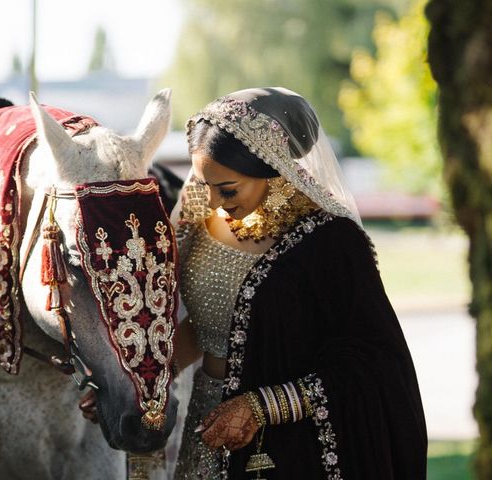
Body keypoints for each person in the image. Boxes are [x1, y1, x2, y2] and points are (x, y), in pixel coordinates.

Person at [81, 87, 427, 479]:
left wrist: (262, 406)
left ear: (272, 166)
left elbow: (373, 362)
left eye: (227, 189)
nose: (211, 201)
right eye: (203, 183)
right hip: (208, 426)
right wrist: (136, 386)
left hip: (290, 442)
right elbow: (206, 327)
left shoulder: (329, 242)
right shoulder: (199, 217)